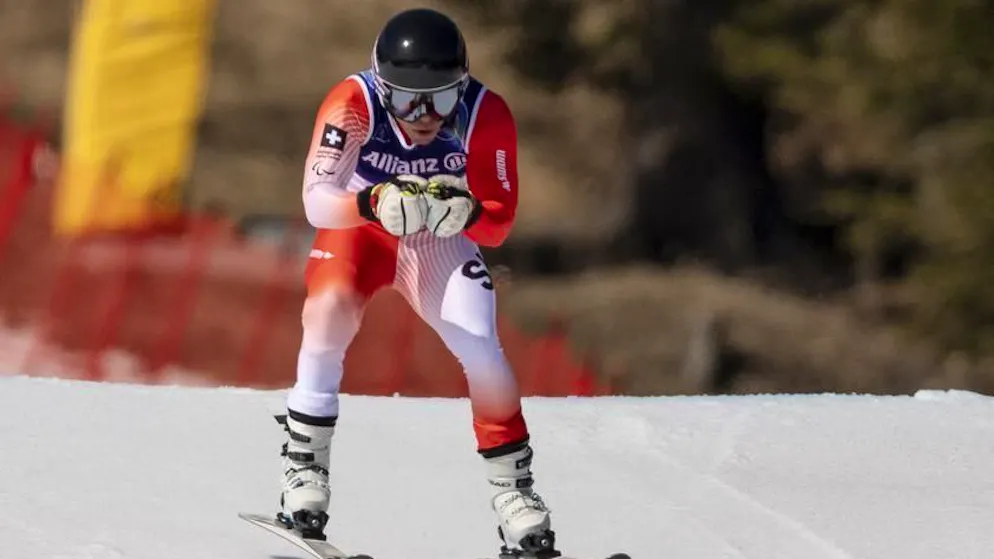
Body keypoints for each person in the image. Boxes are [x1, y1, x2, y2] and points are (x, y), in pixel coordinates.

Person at [276, 8, 558, 557]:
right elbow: (316, 200)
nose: (425, 116)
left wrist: (468, 210)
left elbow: (500, 222)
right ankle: (304, 466)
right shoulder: (352, 103)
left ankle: (514, 490)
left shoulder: (485, 112)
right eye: (407, 101)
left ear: (463, 87)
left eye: (441, 99)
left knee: (480, 340)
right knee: (328, 313)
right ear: (383, 89)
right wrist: (371, 200)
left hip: (436, 237)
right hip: (362, 231)